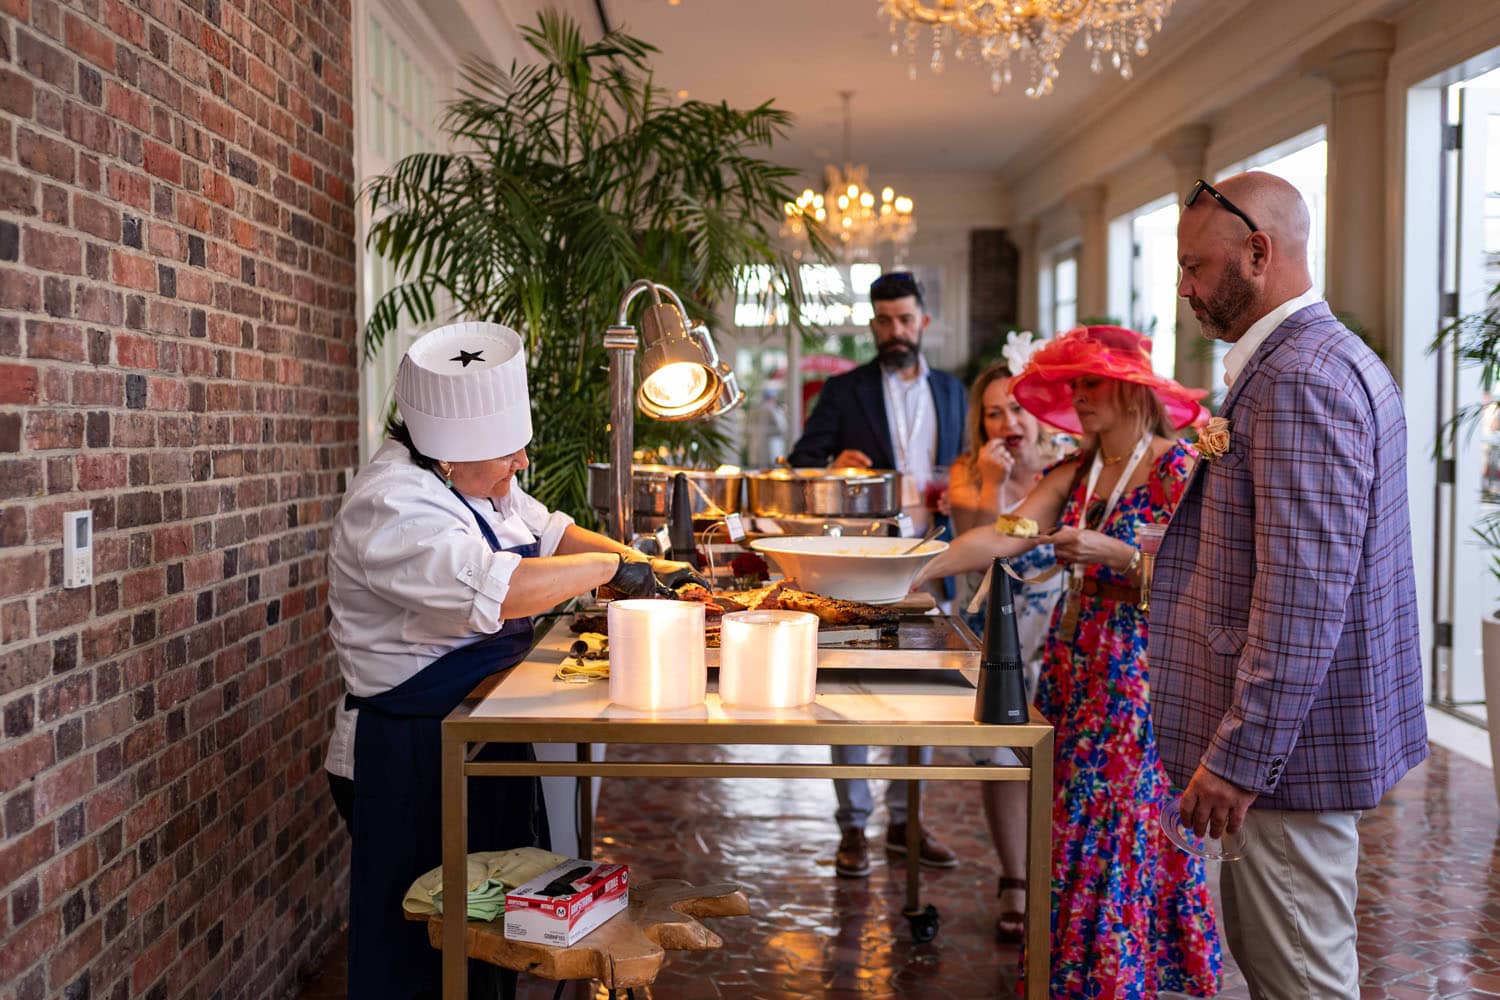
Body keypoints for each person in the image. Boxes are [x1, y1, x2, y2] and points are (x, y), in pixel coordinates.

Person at [322, 321, 701, 999]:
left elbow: (548, 530)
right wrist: (613, 567)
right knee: (422, 950)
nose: (522, 461)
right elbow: (502, 591)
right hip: (409, 755)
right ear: (445, 457)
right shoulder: (392, 509)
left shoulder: (477, 480)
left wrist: (649, 565)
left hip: (477, 730)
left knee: (489, 931)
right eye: (508, 451)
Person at [1153, 171, 1427, 998]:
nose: (1187, 288)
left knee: (1302, 978)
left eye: (1197, 268)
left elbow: (1305, 598)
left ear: (1259, 253)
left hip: (1288, 761)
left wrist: (1240, 759)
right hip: (1290, 751)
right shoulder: (1309, 360)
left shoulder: (1300, 377)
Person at [915, 325, 1222, 998]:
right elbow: (1006, 531)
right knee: (1071, 823)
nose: (1077, 397)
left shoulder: (1176, 467)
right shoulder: (1076, 472)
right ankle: (1076, 976)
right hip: (1072, 668)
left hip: (1136, 677)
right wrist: (912, 573)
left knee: (1118, 829)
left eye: (1089, 383)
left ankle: (1112, 981)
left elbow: (1200, 572)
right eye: (1074, 383)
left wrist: (1110, 554)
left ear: (1128, 389)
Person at [786, 271, 966, 878]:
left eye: (905, 320)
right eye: (885, 321)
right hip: (861, 557)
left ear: (924, 322)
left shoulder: (953, 391)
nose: (896, 331)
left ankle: (906, 817)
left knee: (924, 689)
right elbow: (801, 460)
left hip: (932, 554)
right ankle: (853, 825)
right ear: (872, 325)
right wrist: (834, 463)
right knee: (849, 686)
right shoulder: (844, 391)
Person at [943, 341, 1064, 943]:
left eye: (1017, 408)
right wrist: (990, 485)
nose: (1008, 422)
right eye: (994, 412)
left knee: (1062, 766)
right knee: (1000, 762)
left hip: (1057, 638)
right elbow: (978, 552)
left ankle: (1058, 875)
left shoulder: (1066, 468)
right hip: (997, 643)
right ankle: (1015, 876)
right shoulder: (968, 473)